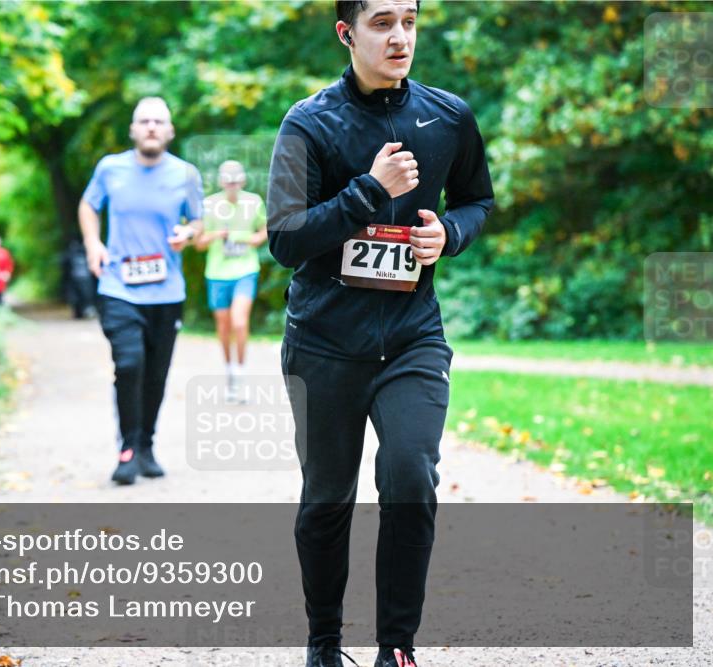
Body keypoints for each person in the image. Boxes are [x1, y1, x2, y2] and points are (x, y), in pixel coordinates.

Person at [266, 1, 494, 666]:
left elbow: (477, 199)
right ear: (347, 33)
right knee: (327, 497)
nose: (400, 37)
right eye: (382, 22)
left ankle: (397, 646)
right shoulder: (308, 123)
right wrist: (369, 189)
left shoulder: (449, 115)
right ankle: (324, 643)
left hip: (412, 335)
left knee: (409, 474)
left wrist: (447, 233)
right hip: (324, 341)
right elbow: (284, 237)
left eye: (411, 21)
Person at [78, 96, 204, 486]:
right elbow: (87, 206)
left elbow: (198, 222)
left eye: (158, 121)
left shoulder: (185, 174)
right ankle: (128, 448)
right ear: (133, 130)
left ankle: (146, 445)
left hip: (167, 292)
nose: (151, 127)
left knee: (156, 374)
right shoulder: (110, 168)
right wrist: (93, 245)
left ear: (169, 131)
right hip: (119, 287)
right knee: (129, 363)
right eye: (144, 121)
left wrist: (187, 233)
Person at [194, 160, 267, 401]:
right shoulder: (210, 204)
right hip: (216, 273)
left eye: (236, 180)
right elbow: (199, 243)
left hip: (245, 269)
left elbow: (265, 230)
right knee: (224, 326)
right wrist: (218, 234)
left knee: (239, 321)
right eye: (228, 180)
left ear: (243, 181)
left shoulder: (254, 201)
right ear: (221, 181)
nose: (232, 184)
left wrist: (255, 239)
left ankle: (241, 373)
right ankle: (229, 371)